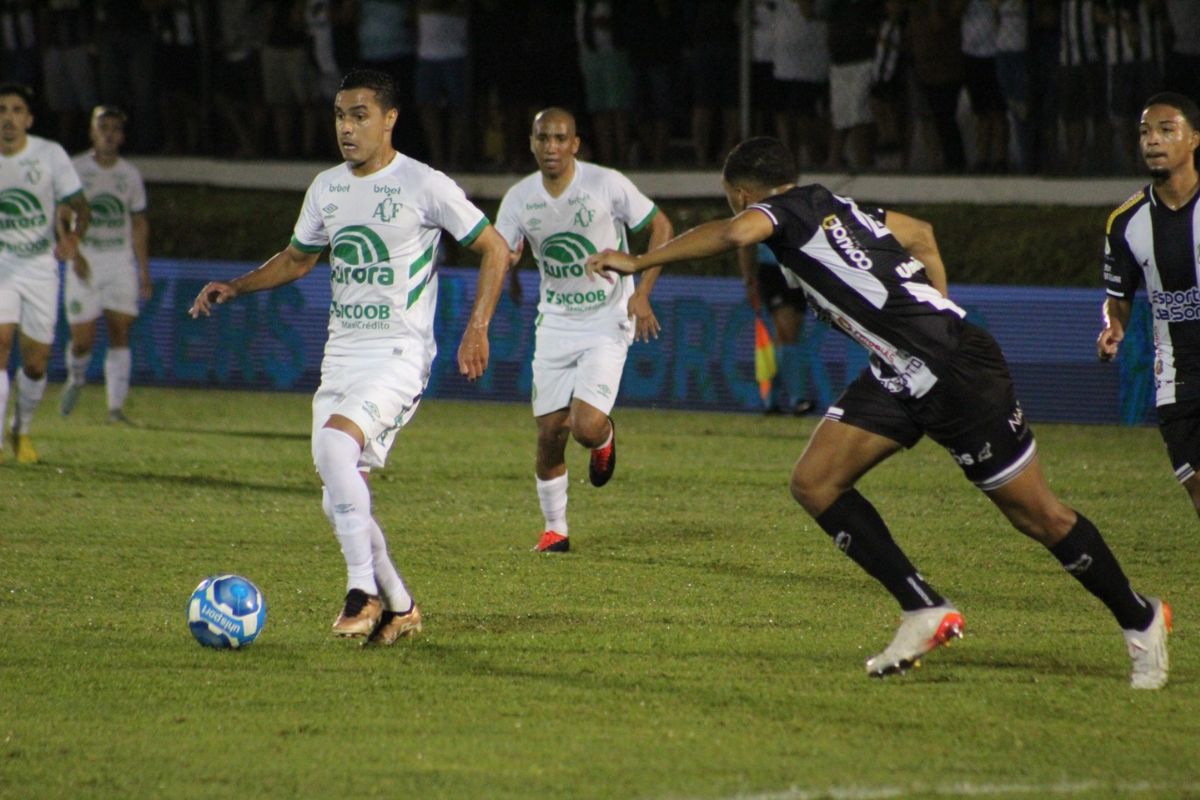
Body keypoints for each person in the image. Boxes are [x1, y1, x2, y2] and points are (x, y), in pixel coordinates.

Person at [587, 136, 1170, 689]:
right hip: (901, 370)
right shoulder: (833, 203)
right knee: (815, 482)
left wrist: (638, 262)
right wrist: (942, 304)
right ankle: (922, 607)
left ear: (742, 191)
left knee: (1037, 516)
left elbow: (734, 233)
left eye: (734, 198)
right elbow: (921, 234)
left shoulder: (780, 211)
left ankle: (1139, 617)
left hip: (954, 371)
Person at [188, 69, 510, 644]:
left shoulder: (424, 184)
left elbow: (496, 247)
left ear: (390, 119)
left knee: (336, 448)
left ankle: (360, 595)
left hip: (399, 351)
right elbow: (297, 258)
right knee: (338, 494)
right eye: (340, 115)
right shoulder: (327, 188)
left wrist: (477, 327)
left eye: (360, 115)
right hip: (342, 354)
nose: (346, 127)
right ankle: (403, 607)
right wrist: (236, 285)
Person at [494, 107, 673, 553]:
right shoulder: (519, 198)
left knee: (584, 427)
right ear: (532, 143)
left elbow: (661, 227)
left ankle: (604, 437)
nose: (551, 147)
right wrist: (506, 264)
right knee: (549, 432)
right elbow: (502, 251)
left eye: (560, 138)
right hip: (554, 321)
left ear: (575, 144)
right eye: (543, 139)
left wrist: (642, 291)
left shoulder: (605, 184)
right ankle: (556, 530)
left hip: (607, 319)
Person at [1098, 92, 1200, 521]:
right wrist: (1113, 326)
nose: (1153, 141)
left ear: (1193, 139)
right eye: (1145, 132)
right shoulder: (1126, 221)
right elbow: (1117, 299)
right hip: (1176, 374)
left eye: (1165, 130)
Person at [0, 82, 90, 464]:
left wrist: (72, 238)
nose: (8, 117)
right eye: (2, 109)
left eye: (17, 110)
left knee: (35, 364)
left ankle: (20, 429)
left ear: (29, 119)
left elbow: (81, 206)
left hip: (39, 268)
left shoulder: (50, 155)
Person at [59, 106, 150, 424]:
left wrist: (144, 272)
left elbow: (138, 224)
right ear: (92, 133)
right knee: (83, 341)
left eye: (114, 128)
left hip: (119, 264)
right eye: (103, 127)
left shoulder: (130, 175)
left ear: (122, 137)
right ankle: (77, 376)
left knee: (120, 329)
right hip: (85, 261)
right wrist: (75, 253)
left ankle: (115, 409)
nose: (109, 133)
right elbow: (62, 217)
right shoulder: (75, 169)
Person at [738, 242, 816, 415]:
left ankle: (771, 401)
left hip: (799, 270)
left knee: (788, 338)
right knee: (786, 335)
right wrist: (748, 278)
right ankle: (797, 399)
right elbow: (745, 242)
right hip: (772, 271)